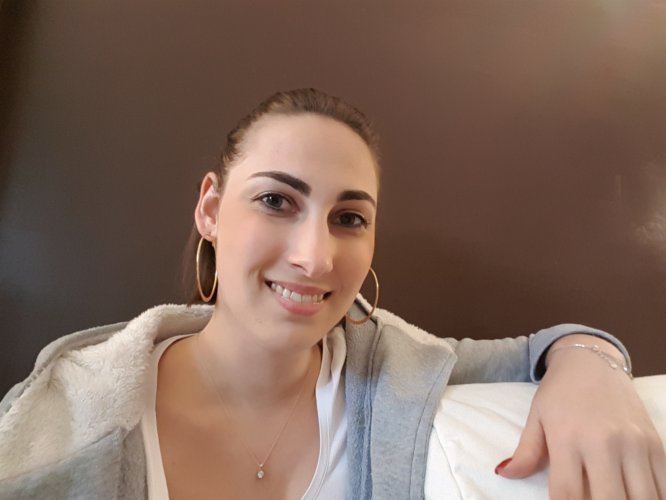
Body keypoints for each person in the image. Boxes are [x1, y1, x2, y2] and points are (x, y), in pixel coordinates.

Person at [0, 88, 664, 500]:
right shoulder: (62, 418)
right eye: (275, 201)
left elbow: (541, 351)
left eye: (349, 218)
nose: (315, 257)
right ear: (211, 209)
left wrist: (594, 368)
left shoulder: (397, 369)